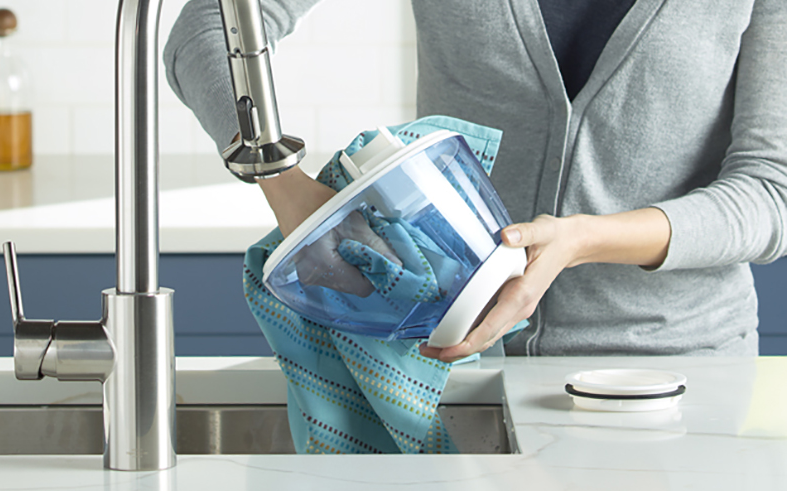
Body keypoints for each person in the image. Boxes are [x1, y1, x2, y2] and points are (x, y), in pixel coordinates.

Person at [164, 0, 787, 362]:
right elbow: (210, 27)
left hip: (676, 374)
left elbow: (772, 190)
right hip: (446, 367)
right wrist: (286, 184)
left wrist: (582, 240)